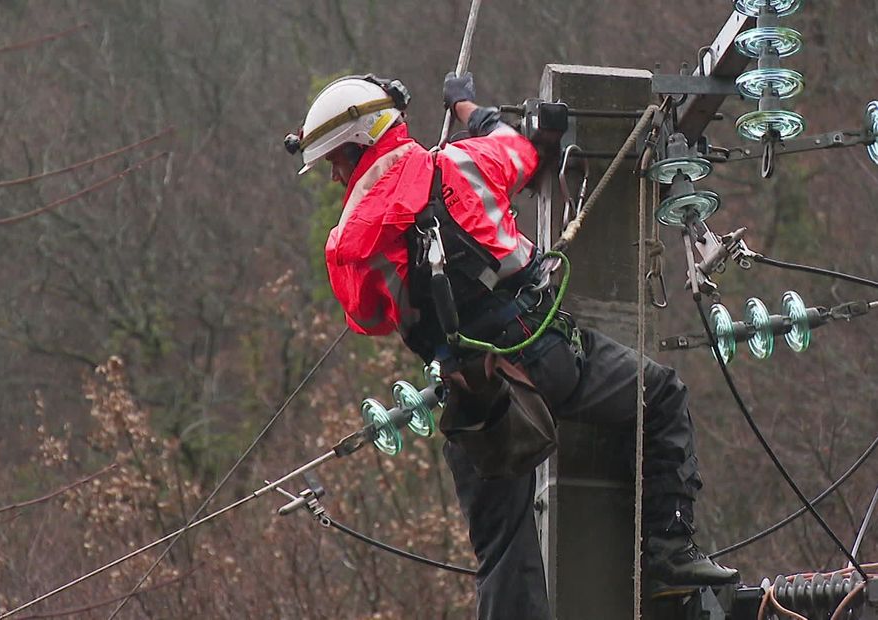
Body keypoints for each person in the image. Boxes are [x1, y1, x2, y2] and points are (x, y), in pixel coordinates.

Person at [285, 72, 738, 619]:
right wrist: (469, 111)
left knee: (503, 552)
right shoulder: (460, 163)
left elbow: (370, 318)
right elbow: (520, 149)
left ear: (360, 146)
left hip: (476, 402)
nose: (336, 177)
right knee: (660, 395)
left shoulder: (348, 242)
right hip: (548, 358)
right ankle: (669, 551)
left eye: (336, 162)